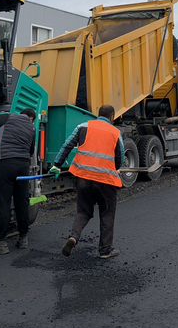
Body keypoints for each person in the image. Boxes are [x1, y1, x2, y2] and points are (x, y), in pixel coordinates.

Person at [51, 105, 124, 259]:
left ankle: (74, 237)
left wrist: (57, 165)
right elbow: (120, 158)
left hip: (83, 177)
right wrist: (115, 167)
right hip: (105, 181)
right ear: (112, 117)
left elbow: (67, 144)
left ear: (98, 115)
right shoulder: (115, 132)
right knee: (107, 213)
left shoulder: (83, 126)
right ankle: (105, 250)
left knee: (83, 211)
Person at [0, 109, 37, 254]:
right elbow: (30, 151)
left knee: (3, 203)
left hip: (5, 163)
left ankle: (1, 243)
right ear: (32, 118)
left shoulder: (7, 117)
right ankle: (23, 238)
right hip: (23, 166)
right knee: (21, 202)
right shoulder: (32, 127)